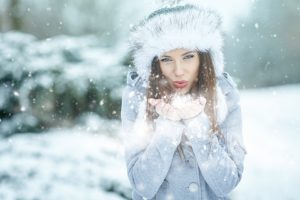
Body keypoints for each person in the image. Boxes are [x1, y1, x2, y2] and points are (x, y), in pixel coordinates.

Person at [121, 1, 247, 199]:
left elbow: (228, 182)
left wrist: (198, 125)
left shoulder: (223, 94)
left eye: (188, 57)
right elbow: (141, 185)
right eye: (166, 59)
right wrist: (168, 128)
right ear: (154, 62)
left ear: (204, 57)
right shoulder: (138, 98)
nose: (178, 71)